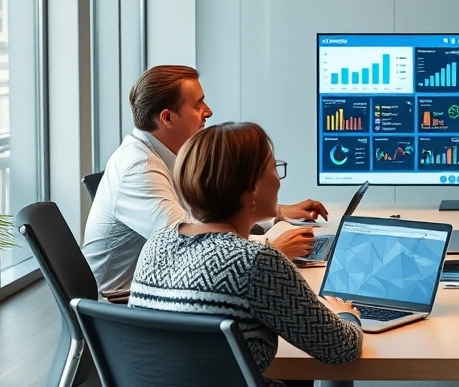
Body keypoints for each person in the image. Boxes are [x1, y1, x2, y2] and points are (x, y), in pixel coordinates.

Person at [129, 122, 401, 387]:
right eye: (274, 167)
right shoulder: (256, 262)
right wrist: (345, 313)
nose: (278, 178)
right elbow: (339, 348)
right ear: (251, 188)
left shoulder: (156, 246)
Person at [84, 65, 324, 295]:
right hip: (124, 307)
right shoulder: (139, 167)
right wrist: (270, 252)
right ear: (167, 118)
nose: (208, 111)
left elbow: (204, 221)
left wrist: (278, 213)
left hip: (167, 287)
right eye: (198, 104)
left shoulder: (163, 155)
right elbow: (193, 247)